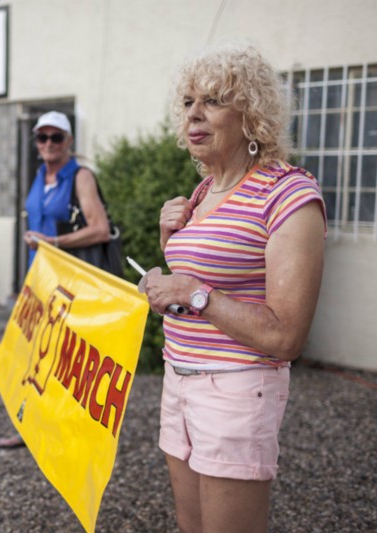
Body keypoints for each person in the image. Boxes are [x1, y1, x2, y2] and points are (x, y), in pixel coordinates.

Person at [139, 45, 326, 533]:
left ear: (252, 113)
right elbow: (195, 294)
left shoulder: (288, 193)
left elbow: (286, 336)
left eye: (215, 100)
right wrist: (167, 269)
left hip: (238, 388)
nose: (194, 115)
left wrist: (193, 290)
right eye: (187, 102)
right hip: (177, 379)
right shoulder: (203, 192)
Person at [0, 110, 111, 449]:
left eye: (56, 137)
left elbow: (100, 229)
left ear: (69, 142)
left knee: (63, 360)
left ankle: (64, 435)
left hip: (68, 283)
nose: (48, 144)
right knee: (33, 355)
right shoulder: (40, 174)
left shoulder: (81, 176)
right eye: (42, 137)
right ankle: (30, 426)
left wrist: (54, 242)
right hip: (38, 279)